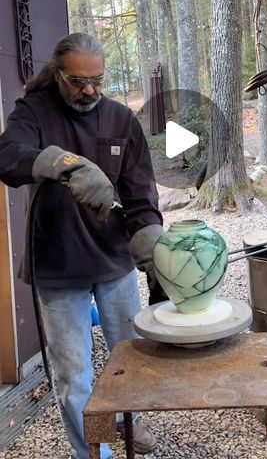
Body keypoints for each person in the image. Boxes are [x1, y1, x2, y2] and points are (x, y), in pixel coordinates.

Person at [0, 33, 165, 459]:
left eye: (98, 80)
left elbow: (140, 189)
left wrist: (148, 233)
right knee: (74, 375)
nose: (89, 90)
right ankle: (95, 453)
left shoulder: (120, 120)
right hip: (57, 265)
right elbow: (8, 156)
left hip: (114, 261)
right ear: (57, 75)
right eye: (77, 81)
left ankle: (129, 422)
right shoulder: (34, 111)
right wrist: (63, 164)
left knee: (129, 357)